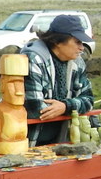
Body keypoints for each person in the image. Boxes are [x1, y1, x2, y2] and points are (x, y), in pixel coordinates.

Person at [21, 14, 95, 147]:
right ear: (57, 41)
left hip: (56, 141)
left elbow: (89, 100)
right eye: (77, 42)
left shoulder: (78, 62)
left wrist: (65, 106)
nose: (82, 48)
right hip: (22, 139)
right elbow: (36, 109)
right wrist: (73, 106)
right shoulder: (33, 59)